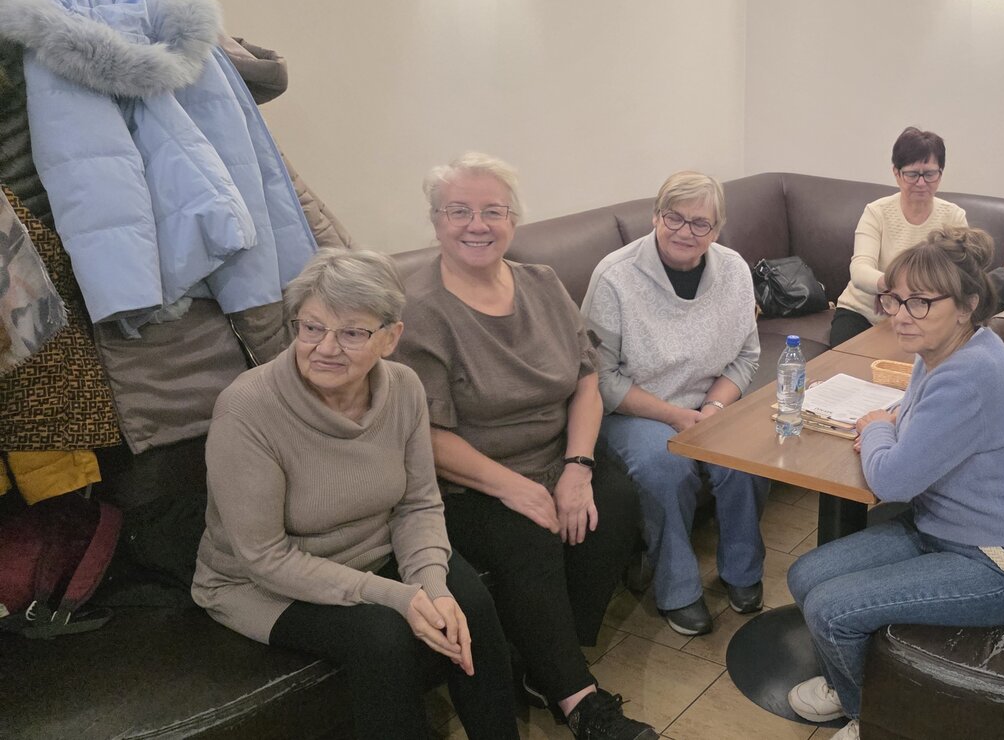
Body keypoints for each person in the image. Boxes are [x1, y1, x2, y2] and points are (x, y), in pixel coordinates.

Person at [192, 249, 518, 740]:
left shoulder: (404, 388)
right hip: (261, 584)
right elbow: (262, 557)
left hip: (372, 551)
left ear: (390, 337)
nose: (325, 348)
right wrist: (396, 597)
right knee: (382, 637)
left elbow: (418, 503)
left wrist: (431, 584)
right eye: (311, 327)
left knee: (466, 602)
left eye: (352, 333)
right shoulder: (247, 409)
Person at [393, 153, 655, 740]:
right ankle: (578, 699)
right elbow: (425, 434)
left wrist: (578, 467)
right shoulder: (419, 310)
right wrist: (515, 488)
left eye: (493, 211)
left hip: (557, 455)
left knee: (614, 503)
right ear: (435, 221)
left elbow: (586, 379)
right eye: (458, 211)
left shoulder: (541, 281)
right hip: (471, 480)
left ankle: (542, 663)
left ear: (513, 219)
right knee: (530, 535)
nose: (477, 225)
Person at [785, 228, 1004, 740]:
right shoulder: (943, 351)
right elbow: (905, 418)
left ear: (967, 306)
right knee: (806, 575)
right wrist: (887, 426)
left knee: (830, 608)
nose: (900, 314)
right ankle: (848, 683)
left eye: (921, 302)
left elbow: (893, 479)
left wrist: (876, 428)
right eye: (894, 299)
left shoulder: (970, 373)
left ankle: (873, 719)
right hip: (943, 530)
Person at [581, 171, 767, 637]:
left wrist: (714, 410)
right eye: (674, 218)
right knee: (667, 467)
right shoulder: (615, 277)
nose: (686, 232)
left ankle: (742, 570)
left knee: (746, 456)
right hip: (633, 409)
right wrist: (675, 417)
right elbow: (599, 377)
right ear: (655, 217)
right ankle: (677, 588)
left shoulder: (735, 271)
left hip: (707, 401)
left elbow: (747, 355)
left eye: (701, 223)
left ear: (717, 229)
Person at [829, 127, 968, 346]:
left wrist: (899, 296)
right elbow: (859, 269)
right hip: (863, 312)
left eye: (930, 174)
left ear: (941, 173)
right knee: (842, 363)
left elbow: (958, 277)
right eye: (912, 174)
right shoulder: (876, 212)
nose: (921, 183)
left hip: (922, 316)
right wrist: (888, 288)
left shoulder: (953, 217)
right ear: (896, 173)